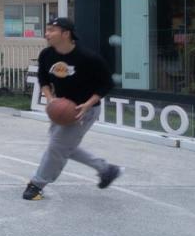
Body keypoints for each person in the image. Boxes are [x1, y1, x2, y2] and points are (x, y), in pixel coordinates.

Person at [22, 17, 121, 201]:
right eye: (47, 30)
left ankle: (37, 184)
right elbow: (43, 79)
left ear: (66, 34)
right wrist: (50, 99)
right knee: (64, 146)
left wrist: (88, 104)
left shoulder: (88, 58)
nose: (47, 34)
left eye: (52, 30)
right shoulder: (46, 54)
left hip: (82, 111)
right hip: (61, 109)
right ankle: (106, 169)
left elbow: (107, 84)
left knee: (57, 147)